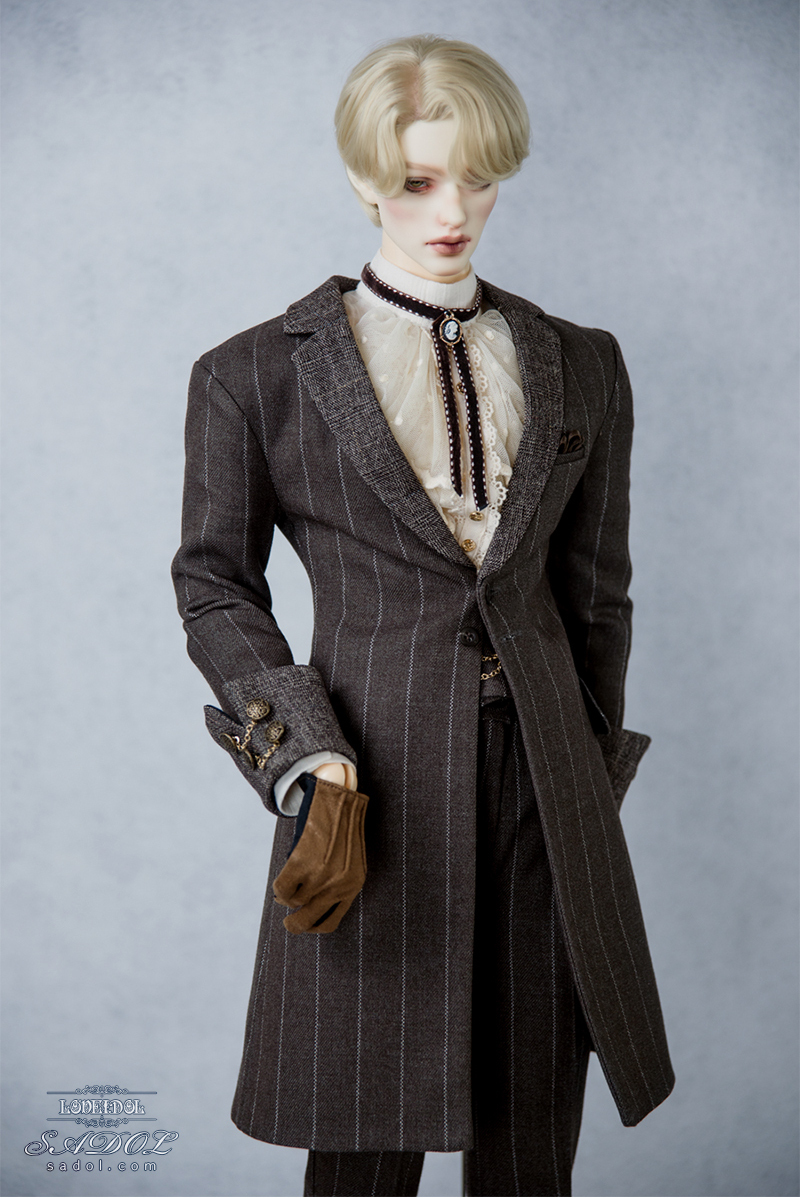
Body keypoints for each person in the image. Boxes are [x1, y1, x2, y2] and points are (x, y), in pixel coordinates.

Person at [172, 34, 674, 1198]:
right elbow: (213, 583)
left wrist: (586, 768)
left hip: (545, 794)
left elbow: (595, 592)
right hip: (371, 783)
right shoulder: (254, 375)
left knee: (529, 1144)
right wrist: (305, 754)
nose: (451, 211)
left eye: (477, 178)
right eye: (415, 181)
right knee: (363, 1135)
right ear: (363, 177)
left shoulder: (580, 364)